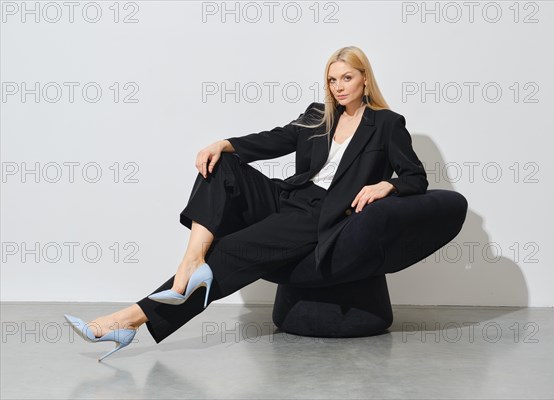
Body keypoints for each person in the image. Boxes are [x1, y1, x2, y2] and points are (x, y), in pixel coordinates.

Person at [64, 45, 428, 361]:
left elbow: (416, 178)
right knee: (222, 165)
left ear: (365, 78)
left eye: (346, 78)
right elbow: (275, 139)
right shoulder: (319, 114)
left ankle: (129, 319)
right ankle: (190, 262)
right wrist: (224, 143)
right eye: (332, 80)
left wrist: (386, 185)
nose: (338, 87)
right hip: (290, 196)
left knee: (232, 250)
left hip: (323, 214)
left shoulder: (387, 124)